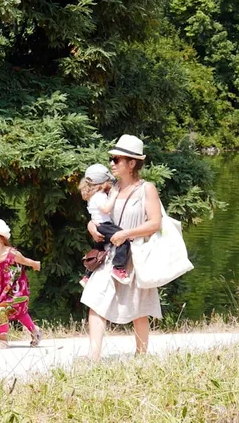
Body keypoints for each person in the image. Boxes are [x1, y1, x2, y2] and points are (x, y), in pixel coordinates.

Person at [80, 134, 163, 361]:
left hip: (135, 255)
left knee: (139, 307)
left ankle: (141, 356)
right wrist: (91, 226)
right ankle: (93, 356)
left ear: (132, 163)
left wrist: (126, 233)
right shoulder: (109, 189)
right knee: (95, 298)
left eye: (117, 160)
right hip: (109, 254)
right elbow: (98, 214)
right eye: (112, 159)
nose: (112, 164)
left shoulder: (147, 189)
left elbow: (155, 223)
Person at [0, 218, 43, 348]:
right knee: (21, 314)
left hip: (16, 289)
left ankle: (2, 339)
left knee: (2, 309)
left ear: (1, 238)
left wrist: (36, 265)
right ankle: (36, 331)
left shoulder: (12, 254)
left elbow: (27, 261)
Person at [79, 164, 132, 286]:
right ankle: (118, 267)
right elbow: (106, 209)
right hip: (104, 225)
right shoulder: (99, 196)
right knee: (123, 240)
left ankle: (87, 275)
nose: (110, 185)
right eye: (109, 182)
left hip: (99, 226)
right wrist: (113, 195)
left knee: (98, 251)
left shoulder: (92, 196)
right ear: (103, 183)